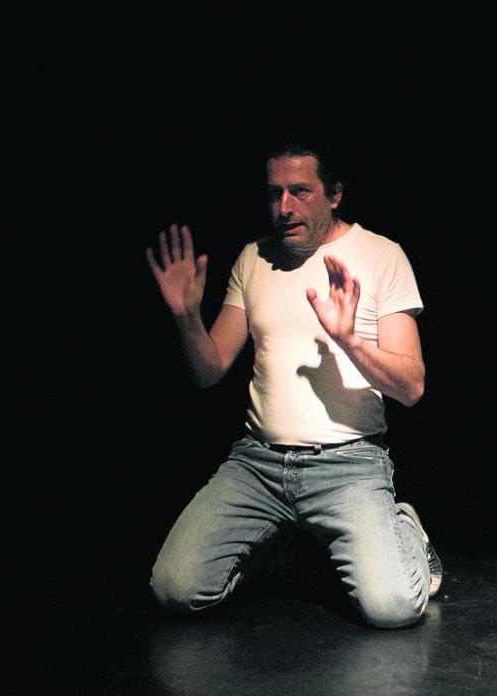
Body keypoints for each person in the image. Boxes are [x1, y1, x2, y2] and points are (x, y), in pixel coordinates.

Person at [146, 143, 441, 628]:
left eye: (300, 192)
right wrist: (185, 317)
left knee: (392, 609)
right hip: (257, 465)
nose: (284, 208)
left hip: (349, 464)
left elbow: (412, 387)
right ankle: (283, 540)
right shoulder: (252, 258)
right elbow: (209, 369)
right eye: (274, 195)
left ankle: (405, 529)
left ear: (335, 195)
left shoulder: (382, 255)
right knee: (175, 591)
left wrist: (348, 339)